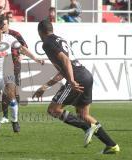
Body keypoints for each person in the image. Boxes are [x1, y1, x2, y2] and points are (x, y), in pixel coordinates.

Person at [33, 19, 120, 154]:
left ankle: (87, 128)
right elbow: (63, 70)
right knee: (83, 114)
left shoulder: (47, 43)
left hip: (77, 78)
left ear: (40, 32)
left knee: (53, 110)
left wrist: (72, 80)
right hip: (86, 75)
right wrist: (45, 86)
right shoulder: (59, 39)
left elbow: (65, 61)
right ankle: (112, 145)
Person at [0, 17, 43, 134]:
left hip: (7, 72)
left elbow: (23, 49)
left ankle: (15, 121)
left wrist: (36, 59)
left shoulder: (9, 38)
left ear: (1, 30)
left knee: (11, 95)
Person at [0, 16, 28, 124]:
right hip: (4, 66)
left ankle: (15, 115)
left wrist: (22, 57)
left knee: (16, 92)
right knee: (5, 91)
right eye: (1, 25)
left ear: (8, 25)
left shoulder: (15, 34)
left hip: (15, 66)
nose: (3, 27)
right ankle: (5, 116)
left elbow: (25, 46)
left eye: (4, 24)